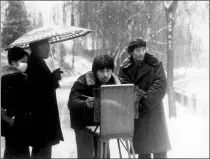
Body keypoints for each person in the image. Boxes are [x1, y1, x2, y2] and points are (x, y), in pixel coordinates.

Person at [118, 37, 171, 158]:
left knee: (160, 150)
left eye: (143, 49)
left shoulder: (156, 63)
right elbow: (125, 89)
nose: (141, 53)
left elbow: (161, 85)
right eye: (138, 50)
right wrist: (140, 100)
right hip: (138, 112)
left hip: (154, 110)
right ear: (131, 52)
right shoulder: (124, 68)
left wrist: (145, 101)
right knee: (143, 151)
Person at [68, 55, 120, 158]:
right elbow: (72, 102)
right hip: (83, 124)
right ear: (95, 71)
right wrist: (85, 104)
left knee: (103, 155)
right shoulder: (83, 81)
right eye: (101, 71)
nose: (105, 75)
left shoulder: (114, 82)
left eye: (108, 71)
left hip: (102, 123)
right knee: (86, 154)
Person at [26, 39, 64, 159]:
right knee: (42, 150)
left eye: (48, 45)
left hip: (43, 118)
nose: (48, 48)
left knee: (42, 150)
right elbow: (38, 90)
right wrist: (53, 78)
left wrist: (53, 77)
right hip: (41, 118)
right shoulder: (33, 63)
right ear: (36, 48)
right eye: (45, 46)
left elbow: (44, 84)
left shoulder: (38, 61)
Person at [1, 47, 31, 159]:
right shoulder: (18, 77)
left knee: (9, 151)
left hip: (8, 123)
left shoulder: (3, 75)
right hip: (18, 123)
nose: (25, 64)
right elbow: (23, 102)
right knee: (21, 153)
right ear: (14, 62)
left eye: (26, 62)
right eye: (23, 61)